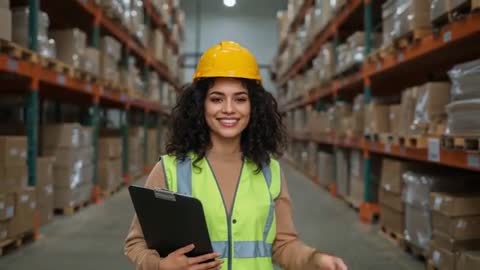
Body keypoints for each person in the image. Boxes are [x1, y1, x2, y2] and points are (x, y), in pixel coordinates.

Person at [124, 40, 348, 270]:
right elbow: (136, 243)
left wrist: (315, 259)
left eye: (240, 99)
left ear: (254, 106)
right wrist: (160, 266)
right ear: (200, 105)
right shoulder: (170, 169)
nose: (229, 109)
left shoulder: (270, 171)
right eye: (217, 99)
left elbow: (283, 245)